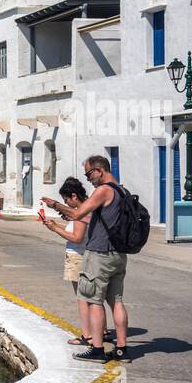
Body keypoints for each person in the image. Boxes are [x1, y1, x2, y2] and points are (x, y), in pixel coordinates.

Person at [41, 155, 130, 362]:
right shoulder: (122, 191)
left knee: (93, 301)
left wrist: (56, 205)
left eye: (89, 174)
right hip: (119, 254)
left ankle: (97, 348)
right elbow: (92, 217)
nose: (88, 179)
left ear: (99, 170)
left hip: (101, 253)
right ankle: (122, 349)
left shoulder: (103, 190)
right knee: (117, 301)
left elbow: (79, 213)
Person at [41, 177, 95, 346]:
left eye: (66, 200)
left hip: (77, 257)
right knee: (92, 298)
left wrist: (54, 228)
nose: (66, 204)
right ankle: (101, 332)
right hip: (83, 256)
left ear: (73, 196)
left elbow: (77, 238)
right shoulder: (85, 209)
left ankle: (87, 335)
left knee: (83, 299)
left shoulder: (81, 212)